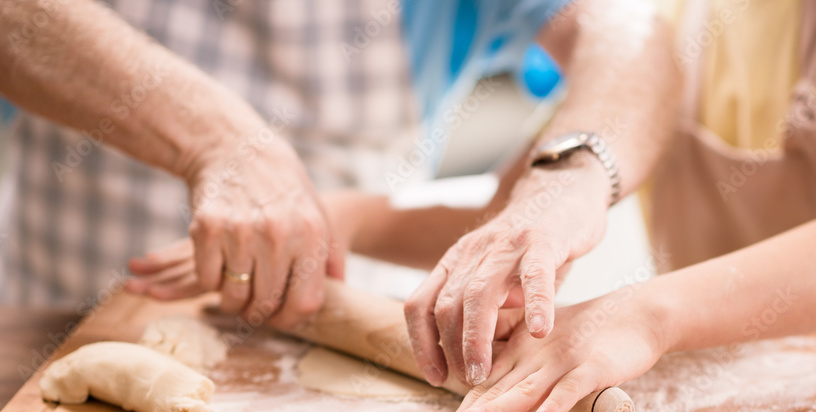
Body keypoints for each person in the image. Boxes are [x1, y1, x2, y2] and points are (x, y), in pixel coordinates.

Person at [396, 0, 816, 412]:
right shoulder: (672, 14)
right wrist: (336, 224)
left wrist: (647, 315)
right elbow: (511, 215)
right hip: (692, 390)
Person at [0, 0, 674, 336]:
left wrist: (567, 179)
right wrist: (220, 140)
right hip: (54, 314)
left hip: (333, 314)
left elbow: (627, 29)